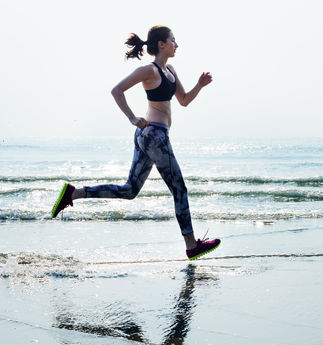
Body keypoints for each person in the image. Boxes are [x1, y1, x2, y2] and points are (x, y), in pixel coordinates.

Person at [51, 25, 220, 260]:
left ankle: (74, 194)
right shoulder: (148, 71)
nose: (176, 44)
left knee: (130, 190)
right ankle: (191, 245)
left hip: (150, 137)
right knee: (179, 189)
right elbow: (116, 90)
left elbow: (183, 101)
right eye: (173, 40)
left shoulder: (170, 70)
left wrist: (199, 86)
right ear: (161, 44)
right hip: (154, 136)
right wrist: (132, 117)